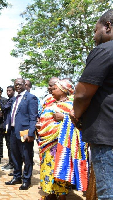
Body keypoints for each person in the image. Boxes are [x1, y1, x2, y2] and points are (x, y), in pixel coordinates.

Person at [70, 9, 113, 199]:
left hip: (107, 137)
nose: (94, 37)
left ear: (108, 26)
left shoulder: (105, 50)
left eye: (95, 31)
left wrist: (76, 115)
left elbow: (81, 95)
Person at [38, 79, 88, 200]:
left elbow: (79, 123)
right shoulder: (50, 103)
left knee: (60, 169)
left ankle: (61, 196)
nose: (52, 90)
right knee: (48, 168)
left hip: (62, 145)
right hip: (48, 144)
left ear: (63, 90)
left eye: (55, 88)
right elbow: (45, 119)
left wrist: (64, 117)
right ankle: (50, 193)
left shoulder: (72, 105)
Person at [4, 78, 38, 190]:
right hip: (13, 131)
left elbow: (33, 117)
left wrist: (31, 133)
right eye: (15, 85)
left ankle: (26, 180)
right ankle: (17, 176)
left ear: (25, 84)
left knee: (26, 156)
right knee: (15, 155)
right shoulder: (14, 99)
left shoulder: (31, 98)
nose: (17, 86)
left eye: (19, 84)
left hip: (25, 132)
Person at [0, 86, 9, 167]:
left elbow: (5, 111)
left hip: (0, 124)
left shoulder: (4, 100)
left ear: (1, 92)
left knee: (0, 142)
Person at [2, 85, 15, 173]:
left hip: (10, 125)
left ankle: (12, 163)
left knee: (10, 145)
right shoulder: (8, 100)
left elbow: (4, 108)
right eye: (7, 91)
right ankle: (10, 162)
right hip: (7, 124)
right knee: (8, 144)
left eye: (10, 90)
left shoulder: (13, 100)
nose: (8, 92)